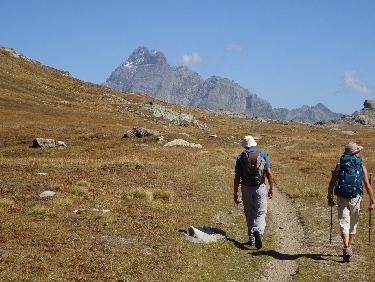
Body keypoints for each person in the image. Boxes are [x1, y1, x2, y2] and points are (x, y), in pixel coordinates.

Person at [327, 142, 375, 262]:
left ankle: (346, 247)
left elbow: (332, 183)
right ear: (356, 152)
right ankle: (349, 247)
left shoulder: (340, 165)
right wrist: (372, 201)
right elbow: (368, 186)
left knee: (344, 222)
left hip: (342, 197)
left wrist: (330, 197)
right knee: (353, 223)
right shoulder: (360, 165)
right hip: (356, 197)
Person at [233, 135, 274, 249]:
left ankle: (252, 239)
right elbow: (269, 173)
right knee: (261, 212)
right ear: (254, 144)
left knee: (249, 213)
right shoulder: (262, 154)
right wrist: (271, 188)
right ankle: (258, 231)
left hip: (246, 188)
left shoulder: (241, 157)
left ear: (245, 145)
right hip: (260, 187)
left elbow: (237, 177)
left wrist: (235, 193)